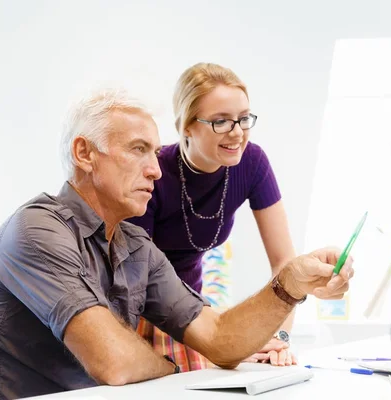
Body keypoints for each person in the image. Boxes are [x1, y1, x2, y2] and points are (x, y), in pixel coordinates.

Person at [0, 88, 354, 400]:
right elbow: (114, 362)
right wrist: (173, 368)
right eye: (138, 149)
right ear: (85, 153)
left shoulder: (134, 244)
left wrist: (289, 286)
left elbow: (218, 337)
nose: (155, 169)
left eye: (154, 150)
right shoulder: (35, 230)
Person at [128, 62, 298, 369]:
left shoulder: (252, 163)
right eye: (221, 122)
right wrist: (225, 342)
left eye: (244, 119)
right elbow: (134, 281)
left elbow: (285, 264)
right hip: (141, 312)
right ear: (187, 126)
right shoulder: (153, 173)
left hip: (195, 310)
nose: (237, 133)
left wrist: (279, 337)